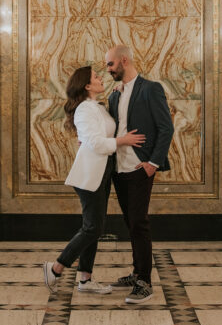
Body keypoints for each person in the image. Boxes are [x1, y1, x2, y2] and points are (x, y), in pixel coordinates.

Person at [43, 65, 145, 295]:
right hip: (90, 176)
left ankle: (85, 280)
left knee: (93, 227)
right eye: (97, 77)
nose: (102, 78)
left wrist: (119, 91)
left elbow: (101, 133)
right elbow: (96, 143)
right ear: (87, 85)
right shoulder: (84, 110)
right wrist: (124, 140)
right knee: (92, 228)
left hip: (102, 173)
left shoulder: (96, 107)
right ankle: (56, 268)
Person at [104, 45, 174, 304]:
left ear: (124, 60)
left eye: (111, 64)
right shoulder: (115, 95)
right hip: (118, 169)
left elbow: (166, 129)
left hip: (139, 167)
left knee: (139, 223)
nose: (108, 69)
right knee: (131, 222)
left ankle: (145, 281)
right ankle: (136, 272)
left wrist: (152, 163)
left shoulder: (150, 88)